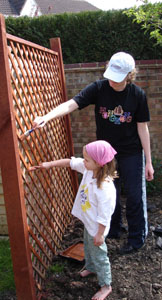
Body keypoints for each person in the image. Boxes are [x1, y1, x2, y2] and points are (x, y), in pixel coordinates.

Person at [33, 51, 154, 255]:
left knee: (135, 196)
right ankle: (112, 229)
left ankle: (136, 238)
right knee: (108, 192)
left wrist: (148, 161)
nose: (112, 82)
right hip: (105, 156)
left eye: (118, 78)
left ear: (129, 75)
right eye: (111, 76)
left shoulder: (137, 95)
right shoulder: (99, 89)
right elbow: (72, 103)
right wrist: (47, 116)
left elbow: (143, 128)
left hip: (132, 153)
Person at [29, 140, 117, 300]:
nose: (83, 161)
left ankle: (106, 285)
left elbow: (105, 216)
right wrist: (49, 164)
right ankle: (90, 267)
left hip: (97, 229)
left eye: (87, 159)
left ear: (99, 163)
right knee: (88, 249)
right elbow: (69, 162)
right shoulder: (89, 169)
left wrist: (99, 234)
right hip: (88, 223)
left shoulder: (105, 188)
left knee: (100, 255)